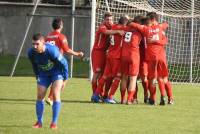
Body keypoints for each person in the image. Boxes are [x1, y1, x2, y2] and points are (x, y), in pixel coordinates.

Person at [28, 33, 68, 129]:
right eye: (33, 44)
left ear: (43, 43)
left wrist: (65, 79)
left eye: (37, 44)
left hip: (57, 73)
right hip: (43, 74)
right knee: (40, 96)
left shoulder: (52, 51)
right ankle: (39, 122)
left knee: (55, 94)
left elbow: (64, 63)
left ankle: (54, 123)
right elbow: (34, 65)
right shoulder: (31, 53)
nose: (35, 46)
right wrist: (37, 75)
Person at [129, 12, 170, 105]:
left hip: (148, 58)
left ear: (151, 20)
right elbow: (166, 26)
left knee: (150, 79)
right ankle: (164, 97)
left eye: (148, 20)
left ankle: (151, 97)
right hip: (153, 57)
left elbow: (132, 24)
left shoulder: (145, 29)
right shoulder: (159, 28)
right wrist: (159, 40)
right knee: (160, 78)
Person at [45, 18, 84, 105]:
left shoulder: (48, 36)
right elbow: (67, 50)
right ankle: (52, 98)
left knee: (54, 79)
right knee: (63, 79)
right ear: (61, 26)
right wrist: (78, 54)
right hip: (58, 61)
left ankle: (50, 98)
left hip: (48, 61)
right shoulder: (61, 36)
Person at [92, 16, 129, 104]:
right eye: (108, 19)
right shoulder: (124, 29)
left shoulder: (113, 27)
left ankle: (96, 94)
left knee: (105, 76)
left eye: (111, 19)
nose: (110, 21)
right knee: (117, 77)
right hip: (116, 56)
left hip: (109, 54)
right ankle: (109, 97)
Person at [120, 18, 142, 104]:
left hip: (124, 55)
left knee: (124, 78)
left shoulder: (125, 29)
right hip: (134, 56)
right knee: (133, 79)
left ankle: (122, 99)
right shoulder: (140, 31)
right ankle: (129, 99)